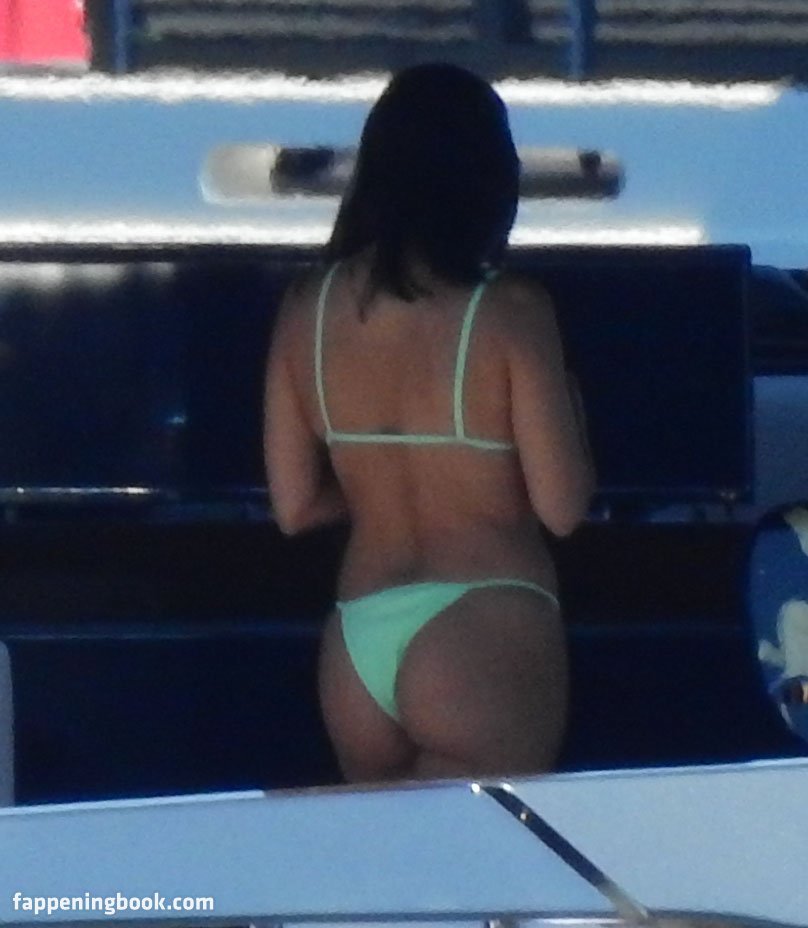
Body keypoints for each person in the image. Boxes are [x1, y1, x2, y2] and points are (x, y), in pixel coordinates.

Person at [264, 63, 594, 783]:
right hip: (484, 620)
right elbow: (562, 507)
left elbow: (293, 507)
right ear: (490, 178)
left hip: (357, 638)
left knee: (382, 857)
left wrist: (377, 480)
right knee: (483, 854)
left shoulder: (305, 307)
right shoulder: (510, 310)